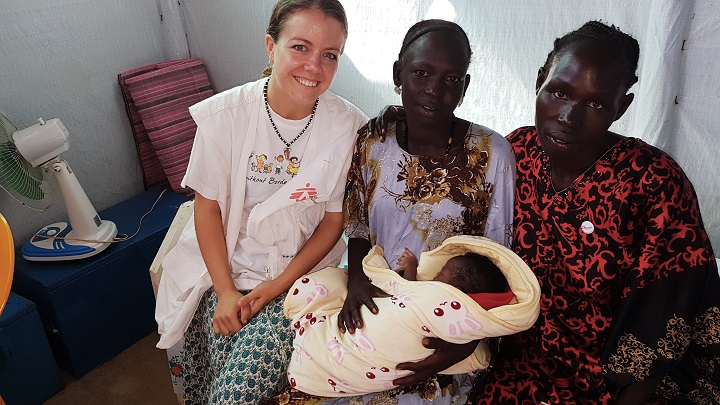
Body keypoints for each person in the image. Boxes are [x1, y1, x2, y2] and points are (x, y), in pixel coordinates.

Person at [474, 21, 720, 404]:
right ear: (540, 79)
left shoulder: (653, 183)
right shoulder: (515, 152)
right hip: (513, 365)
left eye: (596, 103)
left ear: (622, 106)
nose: (568, 117)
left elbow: (664, 324)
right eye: (558, 92)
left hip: (610, 385)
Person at [153, 0, 368, 403]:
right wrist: (226, 292)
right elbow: (208, 208)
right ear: (271, 46)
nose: (314, 68)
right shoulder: (225, 117)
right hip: (226, 270)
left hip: (298, 277)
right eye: (300, 47)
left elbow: (332, 221)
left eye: (330, 55)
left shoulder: (348, 127)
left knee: (236, 390)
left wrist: (274, 289)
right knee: (222, 347)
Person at [340, 18, 516, 403]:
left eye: (451, 79)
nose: (434, 91)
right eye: (421, 73)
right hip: (376, 298)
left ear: (465, 87)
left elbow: (496, 259)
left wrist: (459, 345)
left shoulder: (491, 155)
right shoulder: (373, 139)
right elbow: (356, 224)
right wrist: (355, 282)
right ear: (397, 74)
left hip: (449, 323)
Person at [282, 235, 538, 398]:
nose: (436, 276)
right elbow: (405, 290)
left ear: (461, 289)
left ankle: (316, 356)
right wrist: (366, 280)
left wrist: (464, 345)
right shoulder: (433, 294)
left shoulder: (444, 303)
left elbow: (414, 295)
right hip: (365, 301)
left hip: (384, 360)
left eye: (442, 274)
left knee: (322, 287)